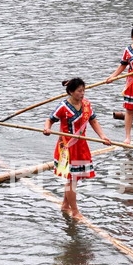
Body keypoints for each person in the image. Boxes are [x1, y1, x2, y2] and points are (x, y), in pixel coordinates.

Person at [44, 78, 112, 219]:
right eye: (79, 91)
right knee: (71, 179)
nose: (82, 94)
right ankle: (75, 211)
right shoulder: (63, 107)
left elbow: (93, 121)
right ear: (71, 92)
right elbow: (50, 119)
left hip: (81, 145)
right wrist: (47, 128)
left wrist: (102, 136)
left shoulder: (86, 105)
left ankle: (65, 205)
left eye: (83, 91)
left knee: (74, 178)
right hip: (67, 147)